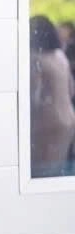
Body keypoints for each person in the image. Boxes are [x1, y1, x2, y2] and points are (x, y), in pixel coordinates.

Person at [27, 15, 75, 178]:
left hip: (48, 122)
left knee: (42, 174)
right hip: (68, 119)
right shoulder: (60, 56)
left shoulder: (36, 58)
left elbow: (34, 96)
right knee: (57, 171)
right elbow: (71, 90)